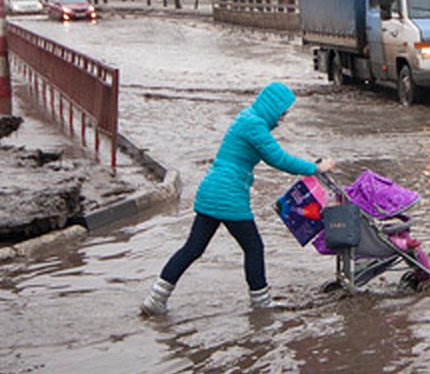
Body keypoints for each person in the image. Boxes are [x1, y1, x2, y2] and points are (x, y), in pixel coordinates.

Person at [140, 81, 335, 316]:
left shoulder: (248, 118)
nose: (283, 119)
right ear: (272, 108)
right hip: (228, 195)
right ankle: (261, 304)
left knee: (193, 248)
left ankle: (155, 298)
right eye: (282, 113)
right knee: (253, 246)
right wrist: (316, 168)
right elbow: (280, 160)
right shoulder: (255, 127)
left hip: (212, 190)